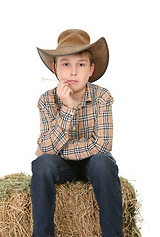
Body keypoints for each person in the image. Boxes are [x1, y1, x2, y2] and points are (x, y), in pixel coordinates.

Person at [31, 29, 124, 237]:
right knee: (42, 164)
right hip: (61, 168)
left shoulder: (102, 97)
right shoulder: (46, 100)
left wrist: (58, 148)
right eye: (66, 64)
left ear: (91, 69)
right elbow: (45, 153)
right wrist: (68, 108)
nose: (73, 72)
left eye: (80, 64)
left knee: (103, 162)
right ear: (56, 69)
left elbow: (102, 146)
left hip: (95, 166)